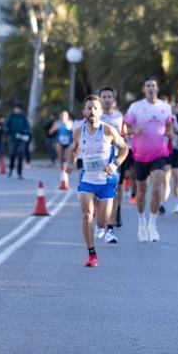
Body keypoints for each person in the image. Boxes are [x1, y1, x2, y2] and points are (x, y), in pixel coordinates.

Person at [65, 95, 130, 266]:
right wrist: (71, 164)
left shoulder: (109, 130)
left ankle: (101, 226)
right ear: (84, 111)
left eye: (95, 108)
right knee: (86, 215)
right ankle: (92, 254)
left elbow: (124, 149)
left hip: (106, 181)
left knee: (102, 220)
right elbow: (74, 149)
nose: (92, 111)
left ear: (100, 111)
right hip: (87, 179)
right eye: (89, 108)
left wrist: (115, 164)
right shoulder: (78, 132)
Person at [125, 77, 174, 243]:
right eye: (148, 86)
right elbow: (125, 128)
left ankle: (152, 224)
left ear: (157, 88)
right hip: (140, 155)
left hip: (159, 154)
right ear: (143, 89)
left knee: (157, 188)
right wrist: (133, 130)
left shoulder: (166, 107)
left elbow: (169, 126)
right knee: (142, 191)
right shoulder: (135, 107)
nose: (151, 88)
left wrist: (170, 133)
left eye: (153, 85)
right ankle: (141, 222)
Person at [99, 87, 127, 232]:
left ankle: (116, 212)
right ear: (100, 99)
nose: (107, 99)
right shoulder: (96, 117)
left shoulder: (119, 116)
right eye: (104, 97)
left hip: (116, 157)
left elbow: (123, 133)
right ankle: (102, 217)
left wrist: (125, 137)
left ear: (113, 99)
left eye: (109, 96)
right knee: (99, 188)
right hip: (99, 157)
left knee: (116, 187)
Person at [5, 103, 31, 179]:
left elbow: (27, 127)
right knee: (12, 155)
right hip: (12, 139)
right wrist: (8, 130)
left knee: (20, 154)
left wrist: (24, 132)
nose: (17, 110)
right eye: (16, 109)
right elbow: (6, 126)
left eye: (18, 109)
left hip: (21, 139)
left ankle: (19, 173)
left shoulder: (23, 118)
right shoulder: (11, 117)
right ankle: (11, 168)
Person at [49, 110, 74, 188]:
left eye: (65, 116)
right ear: (60, 116)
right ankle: (61, 168)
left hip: (68, 143)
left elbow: (75, 132)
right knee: (59, 155)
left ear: (67, 116)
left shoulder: (71, 122)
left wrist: (71, 130)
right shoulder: (57, 123)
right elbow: (50, 132)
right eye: (62, 116)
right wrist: (54, 129)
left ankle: (65, 167)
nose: (63, 117)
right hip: (60, 142)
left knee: (66, 156)